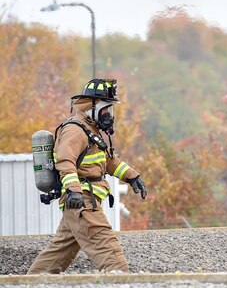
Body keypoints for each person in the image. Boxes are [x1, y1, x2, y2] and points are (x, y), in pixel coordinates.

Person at [28, 79, 147, 274]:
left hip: (82, 200)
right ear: (90, 107)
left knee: (60, 251)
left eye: (110, 110)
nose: (109, 115)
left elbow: (109, 161)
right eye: (106, 109)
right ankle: (121, 282)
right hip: (81, 199)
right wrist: (74, 190)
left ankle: (31, 284)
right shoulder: (75, 130)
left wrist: (132, 176)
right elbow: (65, 161)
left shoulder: (91, 131)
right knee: (104, 242)